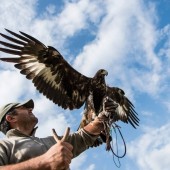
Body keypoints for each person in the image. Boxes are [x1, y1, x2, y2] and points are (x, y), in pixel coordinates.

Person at [0, 98, 117, 170]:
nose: (30, 108)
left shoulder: (52, 142)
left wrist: (102, 118)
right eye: (23, 108)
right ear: (11, 118)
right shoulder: (4, 146)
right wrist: (45, 161)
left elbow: (83, 137)